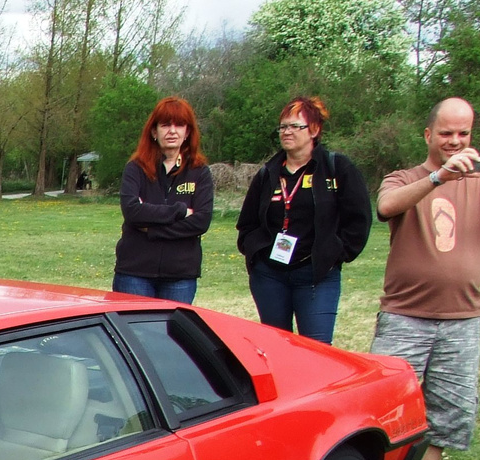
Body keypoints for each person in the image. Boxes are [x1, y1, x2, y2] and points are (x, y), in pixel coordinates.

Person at [370, 97, 480, 460]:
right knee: (384, 404)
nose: (455, 141)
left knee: (450, 409)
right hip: (404, 314)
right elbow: (386, 207)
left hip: (462, 316)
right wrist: (438, 177)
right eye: (446, 133)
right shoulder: (405, 176)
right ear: (428, 135)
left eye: (463, 133)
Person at [236, 96, 371, 344]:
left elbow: (359, 219)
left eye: (295, 126)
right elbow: (247, 222)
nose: (286, 132)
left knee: (316, 351)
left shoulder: (336, 168)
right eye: (283, 127)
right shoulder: (269, 173)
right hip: (270, 275)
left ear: (314, 130)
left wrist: (335, 253)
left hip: (316, 275)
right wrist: (256, 252)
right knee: (276, 348)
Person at [112, 96, 214, 303]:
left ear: (187, 132)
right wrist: (181, 211)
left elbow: (201, 221)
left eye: (179, 125)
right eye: (165, 125)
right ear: (154, 131)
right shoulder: (135, 168)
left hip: (180, 276)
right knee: (133, 334)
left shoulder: (200, 172)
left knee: (169, 335)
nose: (172, 131)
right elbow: (132, 212)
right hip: (135, 272)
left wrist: (152, 229)